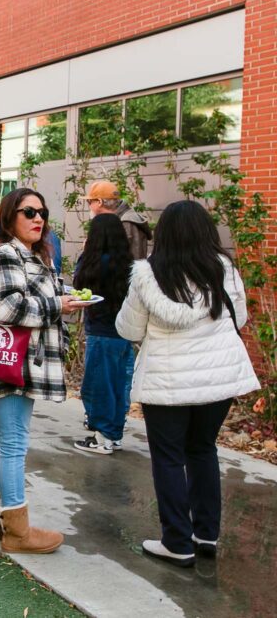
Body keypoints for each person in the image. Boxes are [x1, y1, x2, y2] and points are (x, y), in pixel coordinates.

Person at [115, 200, 258, 567]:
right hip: (218, 378)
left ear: (164, 235)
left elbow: (128, 329)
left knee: (168, 458)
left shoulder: (148, 274)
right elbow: (238, 317)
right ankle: (206, 535)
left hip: (168, 381)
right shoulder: (223, 269)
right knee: (202, 450)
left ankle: (177, 541)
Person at [0, 187, 87, 554]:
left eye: (42, 212)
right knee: (14, 441)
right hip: (14, 362)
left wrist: (64, 297)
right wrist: (58, 305)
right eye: (29, 212)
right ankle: (18, 531)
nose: (39, 218)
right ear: (10, 217)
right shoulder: (7, 253)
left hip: (18, 362)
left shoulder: (29, 254)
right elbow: (5, 309)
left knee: (4, 440)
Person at [72, 214, 134, 455]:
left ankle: (102, 437)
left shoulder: (93, 263)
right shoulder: (127, 264)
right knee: (119, 386)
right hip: (124, 333)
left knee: (98, 386)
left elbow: (78, 288)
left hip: (100, 333)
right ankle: (115, 435)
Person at [84, 180, 152, 259]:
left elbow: (131, 261)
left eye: (89, 201)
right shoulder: (115, 220)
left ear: (100, 202)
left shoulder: (126, 222)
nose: (89, 206)